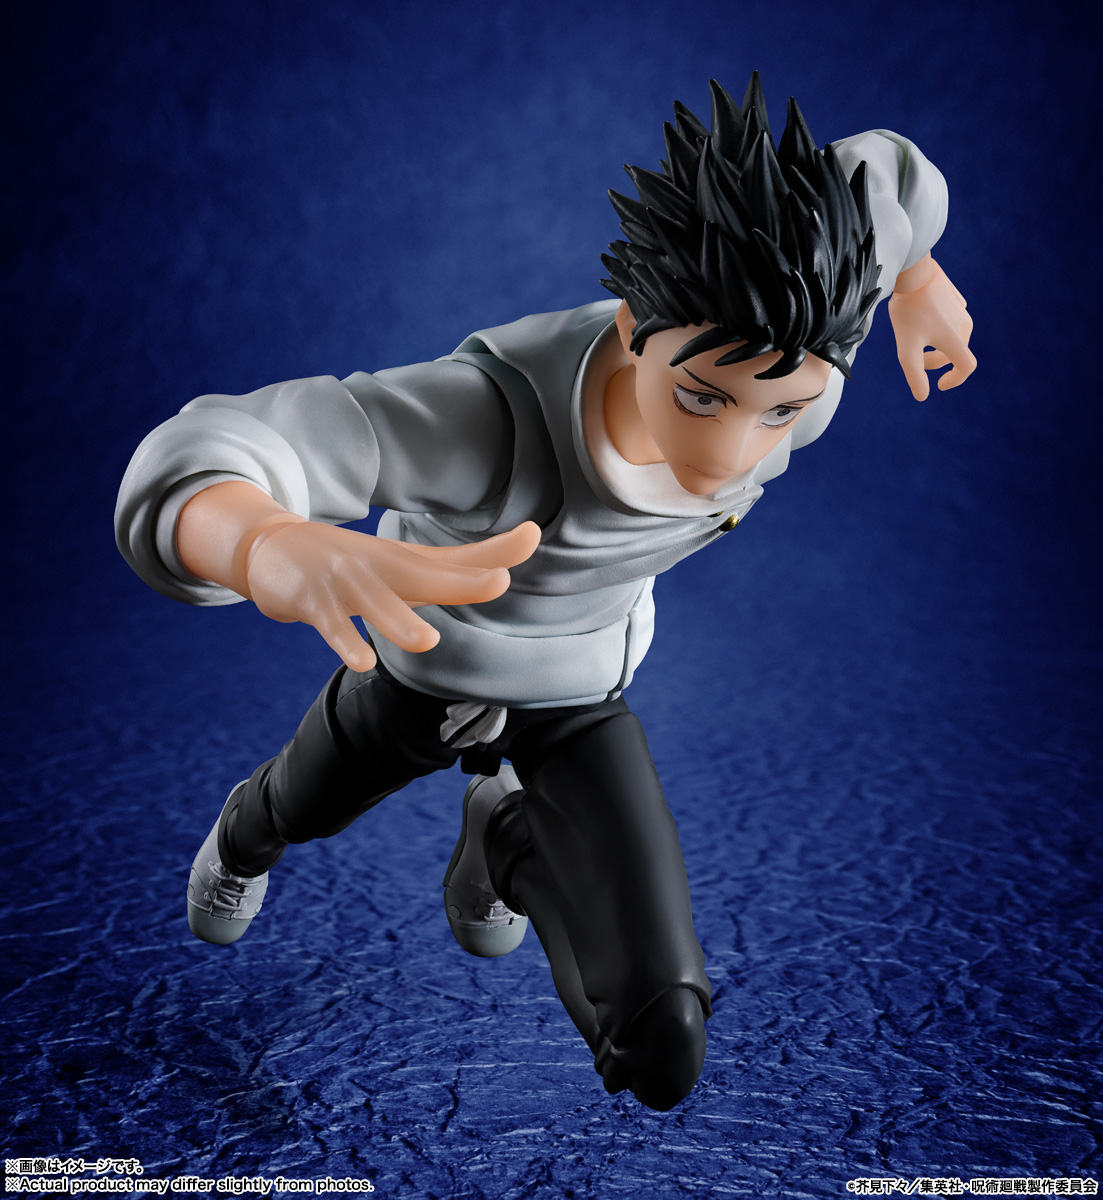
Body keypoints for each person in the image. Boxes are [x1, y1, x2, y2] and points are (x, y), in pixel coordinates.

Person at [115, 75, 975, 1111]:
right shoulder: (491, 421)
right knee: (299, 807)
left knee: (660, 1039)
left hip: (579, 687)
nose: (731, 454)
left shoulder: (806, 348)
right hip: (421, 662)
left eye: (779, 412)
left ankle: (502, 837)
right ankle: (240, 836)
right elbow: (215, 448)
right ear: (634, 327)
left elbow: (885, 177)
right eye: (698, 397)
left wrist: (914, 276)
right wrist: (261, 541)